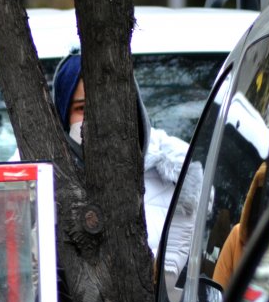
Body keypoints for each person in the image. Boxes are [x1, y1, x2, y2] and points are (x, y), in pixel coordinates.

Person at [51, 51, 197, 260]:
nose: (97, 118)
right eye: (82, 108)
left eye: (107, 104)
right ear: (64, 118)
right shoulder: (38, 186)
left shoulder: (179, 179)